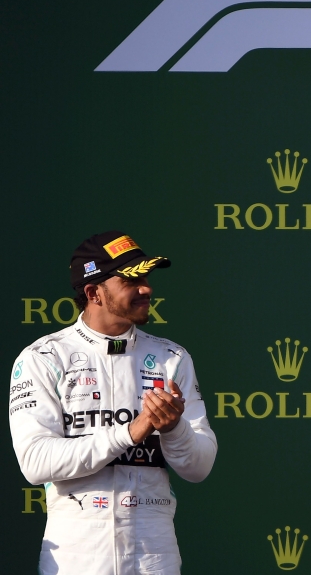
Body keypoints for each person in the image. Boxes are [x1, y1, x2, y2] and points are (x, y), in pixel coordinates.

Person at [9, 231, 218, 575]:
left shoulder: (171, 357)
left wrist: (174, 428)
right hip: (78, 557)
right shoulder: (44, 357)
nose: (146, 288)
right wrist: (130, 432)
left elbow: (199, 467)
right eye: (130, 280)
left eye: (146, 277)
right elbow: (35, 462)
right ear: (94, 293)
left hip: (155, 555)